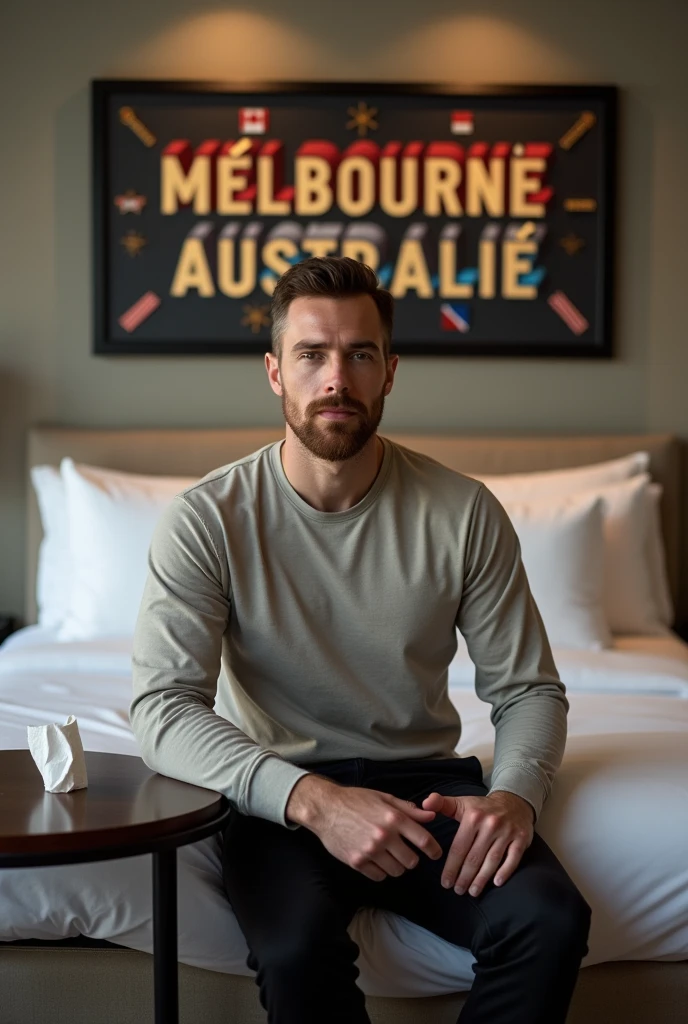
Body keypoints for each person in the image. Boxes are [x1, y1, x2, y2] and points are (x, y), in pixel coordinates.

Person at [130, 255, 591, 1024]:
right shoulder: (206, 518)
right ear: (275, 372)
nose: (336, 378)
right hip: (278, 796)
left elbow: (528, 690)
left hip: (427, 789)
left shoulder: (464, 512)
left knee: (548, 920)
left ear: (390, 372)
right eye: (312, 355)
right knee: (293, 951)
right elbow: (163, 709)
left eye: (360, 354)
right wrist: (312, 801)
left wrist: (515, 795)